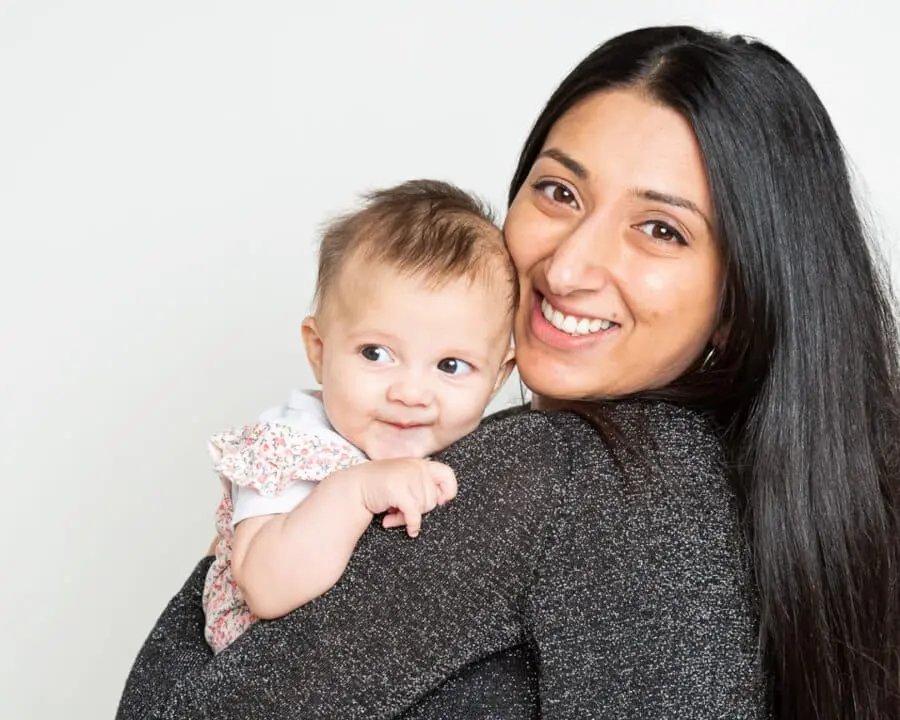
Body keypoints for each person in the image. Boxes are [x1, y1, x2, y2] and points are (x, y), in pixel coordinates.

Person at [116, 25, 900, 720]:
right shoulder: (737, 483)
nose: (569, 265)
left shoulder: (571, 473)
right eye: (559, 192)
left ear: (740, 298)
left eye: (659, 229)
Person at [203, 179, 516, 652]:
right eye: (376, 353)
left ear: (497, 377)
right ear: (318, 350)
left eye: (450, 366)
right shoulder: (295, 443)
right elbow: (266, 588)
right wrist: (358, 490)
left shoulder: (483, 455)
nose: (410, 393)